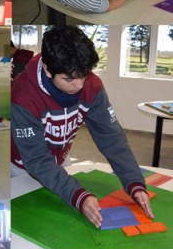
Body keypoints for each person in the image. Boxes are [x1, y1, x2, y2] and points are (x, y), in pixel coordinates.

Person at [11, 25, 154, 228]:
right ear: (47, 70)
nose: (79, 85)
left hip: (60, 158)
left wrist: (134, 182)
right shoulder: (22, 96)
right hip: (23, 167)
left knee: (67, 224)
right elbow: (36, 160)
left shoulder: (91, 86)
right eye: (69, 79)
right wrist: (78, 196)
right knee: (38, 224)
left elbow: (112, 138)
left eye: (84, 75)